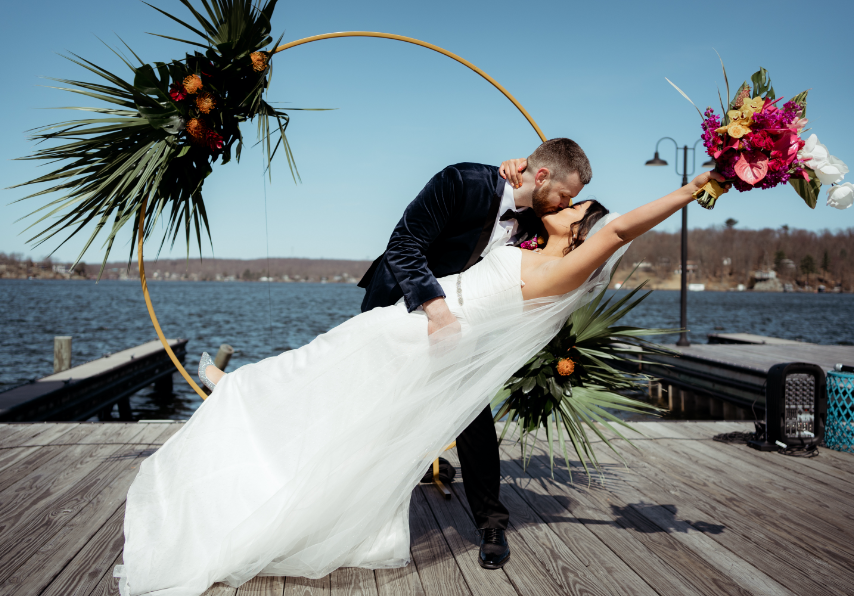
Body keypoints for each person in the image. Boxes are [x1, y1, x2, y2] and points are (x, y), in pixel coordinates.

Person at [114, 159, 729, 596]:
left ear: (583, 233)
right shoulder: (527, 234)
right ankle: (247, 396)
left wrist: (696, 185)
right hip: (421, 314)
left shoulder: (567, 268)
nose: (565, 210)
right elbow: (430, 238)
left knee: (332, 373)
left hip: (433, 331)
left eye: (575, 211)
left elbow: (621, 227)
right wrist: (507, 177)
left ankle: (242, 395)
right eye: (564, 199)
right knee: (335, 371)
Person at [357, 138, 592, 570]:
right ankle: (353, 502)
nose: (566, 204)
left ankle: (490, 523)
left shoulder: (539, 218)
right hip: (402, 305)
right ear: (541, 177)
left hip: (464, 321)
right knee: (372, 405)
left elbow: (589, 227)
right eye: (564, 194)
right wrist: (437, 311)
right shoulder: (459, 181)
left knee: (471, 411)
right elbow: (404, 245)